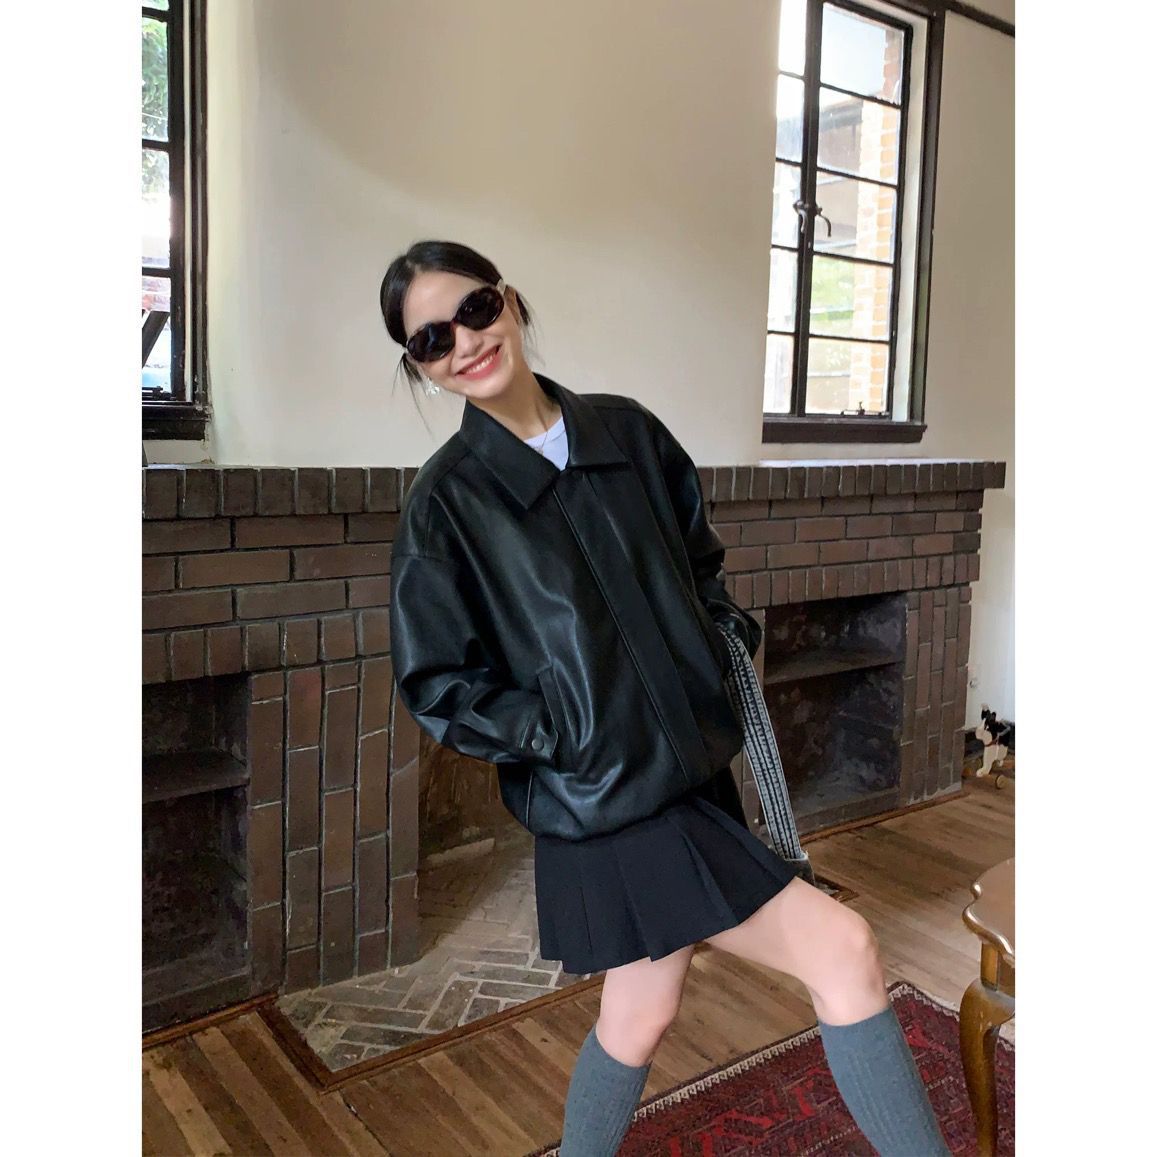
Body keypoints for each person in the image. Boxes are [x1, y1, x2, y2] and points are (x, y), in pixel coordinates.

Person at [380, 240, 950, 1157]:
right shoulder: (445, 504)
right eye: (431, 339)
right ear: (420, 365)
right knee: (841, 946)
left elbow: (700, 565)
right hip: (604, 799)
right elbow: (437, 682)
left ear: (510, 301)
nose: (465, 343)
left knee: (639, 1010)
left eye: (475, 310)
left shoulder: (627, 434)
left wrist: (714, 645)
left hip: (690, 768)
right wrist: (567, 732)